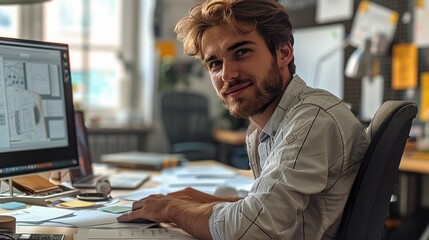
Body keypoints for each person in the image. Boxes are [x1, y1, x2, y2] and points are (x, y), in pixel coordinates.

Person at [118, 0, 370, 239]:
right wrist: (202, 202)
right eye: (215, 63)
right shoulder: (264, 129)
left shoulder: (312, 120)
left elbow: (250, 230)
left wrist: (170, 210)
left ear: (283, 53)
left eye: (241, 52)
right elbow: (266, 210)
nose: (227, 74)